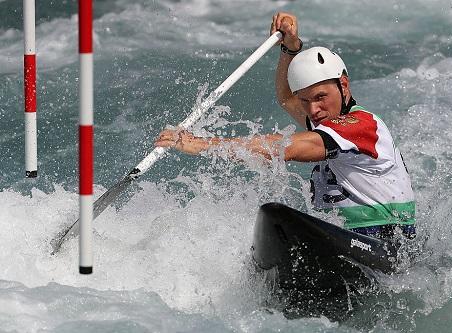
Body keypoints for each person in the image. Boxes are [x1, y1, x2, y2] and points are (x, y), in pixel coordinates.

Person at [155, 12, 416, 240]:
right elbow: (286, 98)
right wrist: (289, 49)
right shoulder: (326, 120)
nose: (313, 110)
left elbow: (286, 148)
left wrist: (203, 144)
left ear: (343, 85)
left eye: (320, 97)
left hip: (388, 239)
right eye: (306, 100)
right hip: (348, 232)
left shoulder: (361, 125)